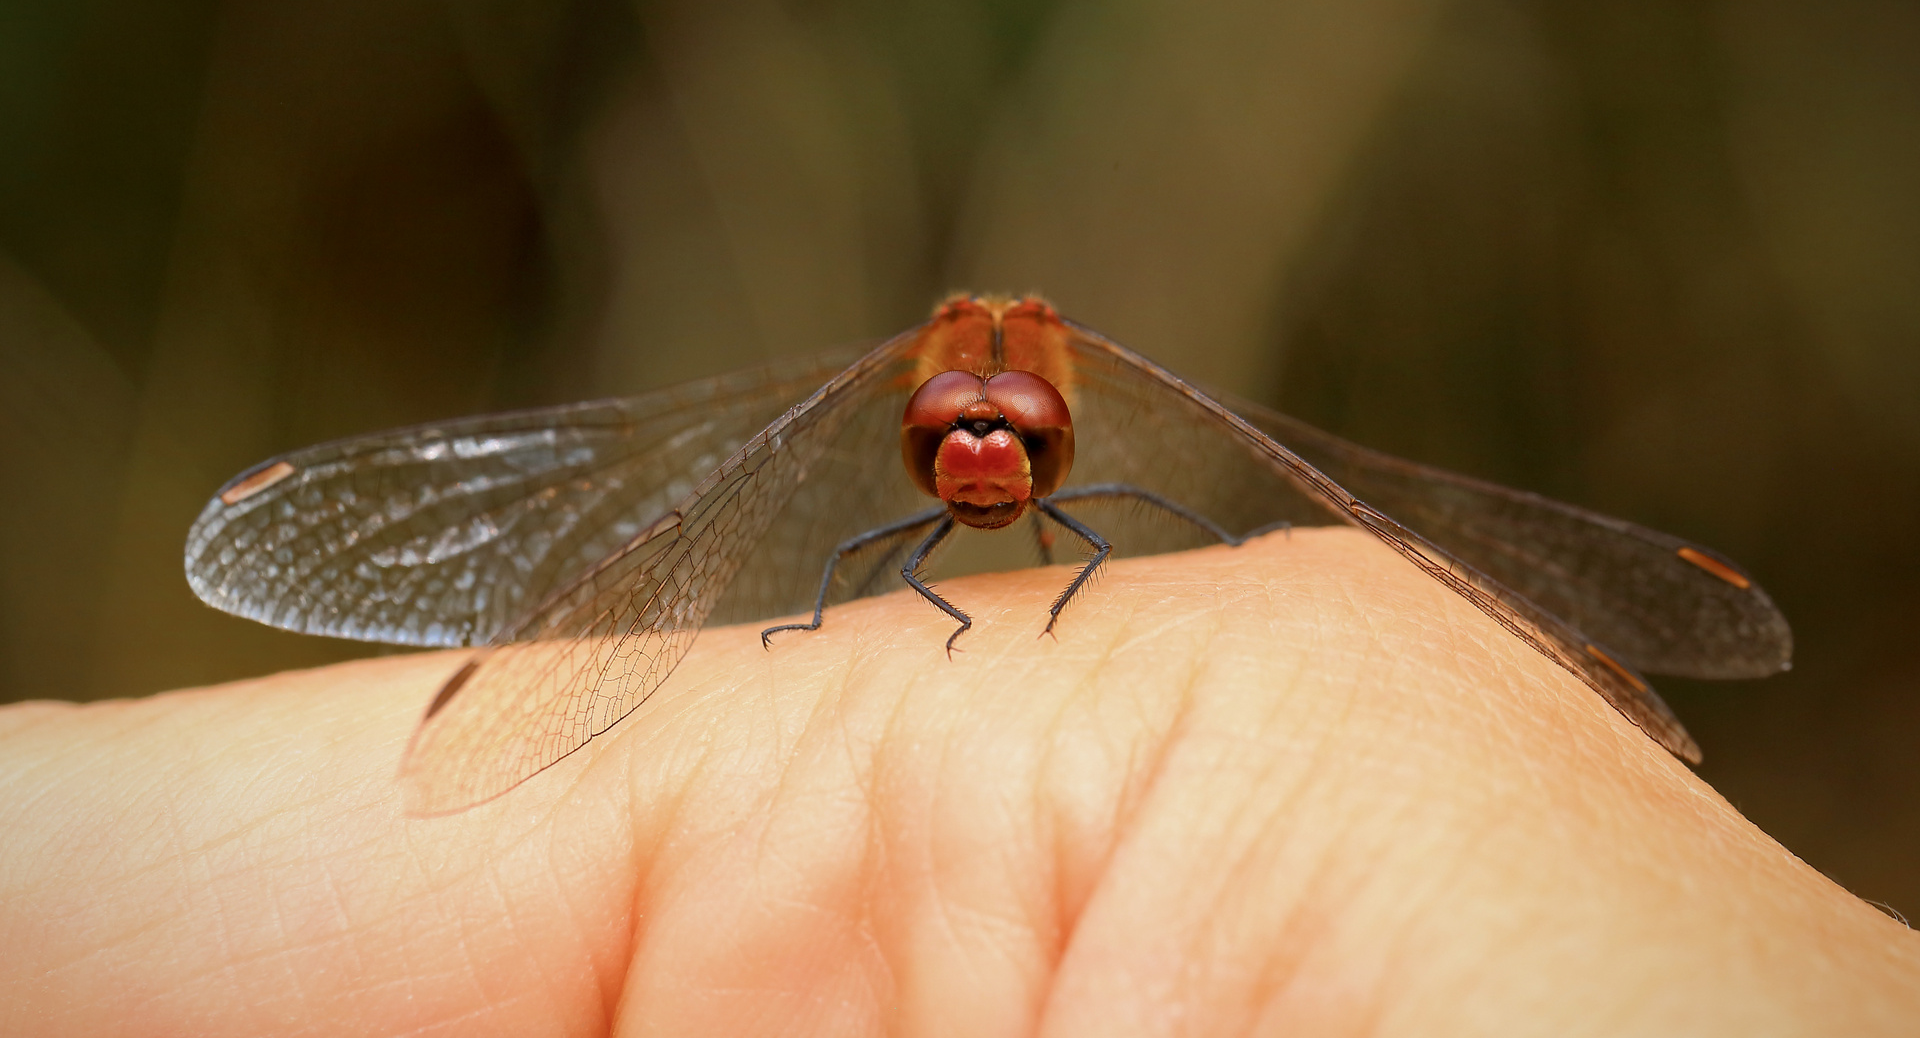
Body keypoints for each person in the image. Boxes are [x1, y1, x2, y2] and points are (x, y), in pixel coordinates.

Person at [1, 528, 1913, 1034]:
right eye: (957, 443)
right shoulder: (907, 489)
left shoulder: (1096, 499)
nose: (992, 470)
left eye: (1021, 445)